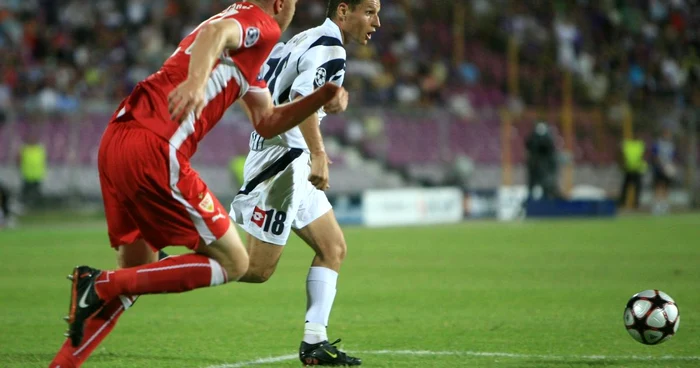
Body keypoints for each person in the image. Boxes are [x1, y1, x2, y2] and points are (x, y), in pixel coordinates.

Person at [49, 1, 349, 367]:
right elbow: (215, 35)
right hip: (157, 146)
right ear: (281, 4)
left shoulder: (246, 52)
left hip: (117, 139)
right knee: (235, 262)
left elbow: (267, 121)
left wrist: (323, 95)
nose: (292, 14)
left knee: (135, 272)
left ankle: (64, 360)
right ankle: (99, 284)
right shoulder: (262, 23)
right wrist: (195, 82)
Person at [229, 0, 380, 365]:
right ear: (343, 12)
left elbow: (270, 80)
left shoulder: (305, 38)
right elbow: (302, 99)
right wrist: (318, 153)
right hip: (284, 162)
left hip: (285, 155)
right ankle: (164, 259)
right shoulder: (329, 48)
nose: (377, 21)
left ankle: (314, 342)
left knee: (333, 248)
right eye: (370, 12)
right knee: (254, 269)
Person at [525, 122, 560, 201]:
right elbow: (528, 145)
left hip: (545, 169)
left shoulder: (548, 143)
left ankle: (546, 201)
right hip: (535, 168)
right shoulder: (533, 140)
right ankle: (531, 202)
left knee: (547, 186)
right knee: (532, 185)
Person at [651, 128, 677, 215]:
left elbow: (673, 157)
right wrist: (661, 166)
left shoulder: (671, 145)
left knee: (666, 187)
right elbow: (654, 156)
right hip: (659, 168)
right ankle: (657, 205)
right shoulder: (658, 143)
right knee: (658, 186)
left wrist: (671, 166)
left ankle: (664, 205)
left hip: (667, 168)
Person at [618, 131, 646, 209]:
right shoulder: (627, 144)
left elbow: (644, 155)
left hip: (637, 169)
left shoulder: (640, 144)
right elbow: (622, 155)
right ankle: (622, 204)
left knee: (637, 188)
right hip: (628, 169)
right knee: (625, 187)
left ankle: (636, 204)